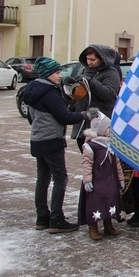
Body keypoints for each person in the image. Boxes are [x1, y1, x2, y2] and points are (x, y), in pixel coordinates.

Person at [23, 57, 96, 233]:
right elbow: (64, 117)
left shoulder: (32, 90)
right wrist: (86, 115)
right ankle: (56, 219)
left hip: (37, 139)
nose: (59, 76)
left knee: (43, 179)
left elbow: (33, 117)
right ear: (48, 74)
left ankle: (42, 218)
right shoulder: (49, 93)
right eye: (56, 73)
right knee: (60, 178)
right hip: (51, 140)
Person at [78, 112, 125, 241]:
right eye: (108, 128)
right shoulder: (90, 146)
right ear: (101, 130)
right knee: (95, 202)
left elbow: (116, 163)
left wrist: (120, 179)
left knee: (109, 200)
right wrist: (87, 180)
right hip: (96, 181)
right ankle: (93, 227)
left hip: (110, 181)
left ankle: (108, 223)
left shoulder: (110, 144)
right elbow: (87, 164)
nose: (111, 131)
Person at [69, 44, 121, 153]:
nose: (89, 62)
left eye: (93, 59)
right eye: (87, 59)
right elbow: (77, 95)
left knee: (98, 159)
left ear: (102, 59)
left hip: (100, 122)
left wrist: (90, 81)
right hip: (83, 121)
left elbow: (108, 94)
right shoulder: (83, 70)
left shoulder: (111, 73)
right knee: (86, 157)